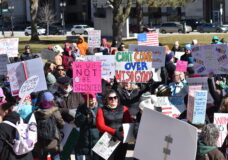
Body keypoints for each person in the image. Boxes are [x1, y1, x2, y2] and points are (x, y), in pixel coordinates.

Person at [96, 89, 132, 160]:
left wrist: (123, 134)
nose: (113, 100)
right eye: (110, 98)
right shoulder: (101, 110)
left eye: (115, 97)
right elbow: (100, 126)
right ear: (107, 100)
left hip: (121, 139)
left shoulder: (124, 108)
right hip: (107, 140)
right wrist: (114, 132)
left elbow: (129, 123)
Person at [34, 92, 65, 160]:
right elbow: (62, 124)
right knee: (55, 156)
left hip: (41, 141)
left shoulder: (37, 112)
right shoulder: (55, 111)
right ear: (52, 100)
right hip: (53, 140)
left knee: (42, 157)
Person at [75, 93, 101, 160]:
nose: (92, 102)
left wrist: (93, 120)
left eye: (93, 100)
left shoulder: (100, 108)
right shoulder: (81, 108)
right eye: (89, 100)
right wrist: (85, 116)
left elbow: (103, 122)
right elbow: (77, 122)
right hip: (86, 140)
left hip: (98, 139)